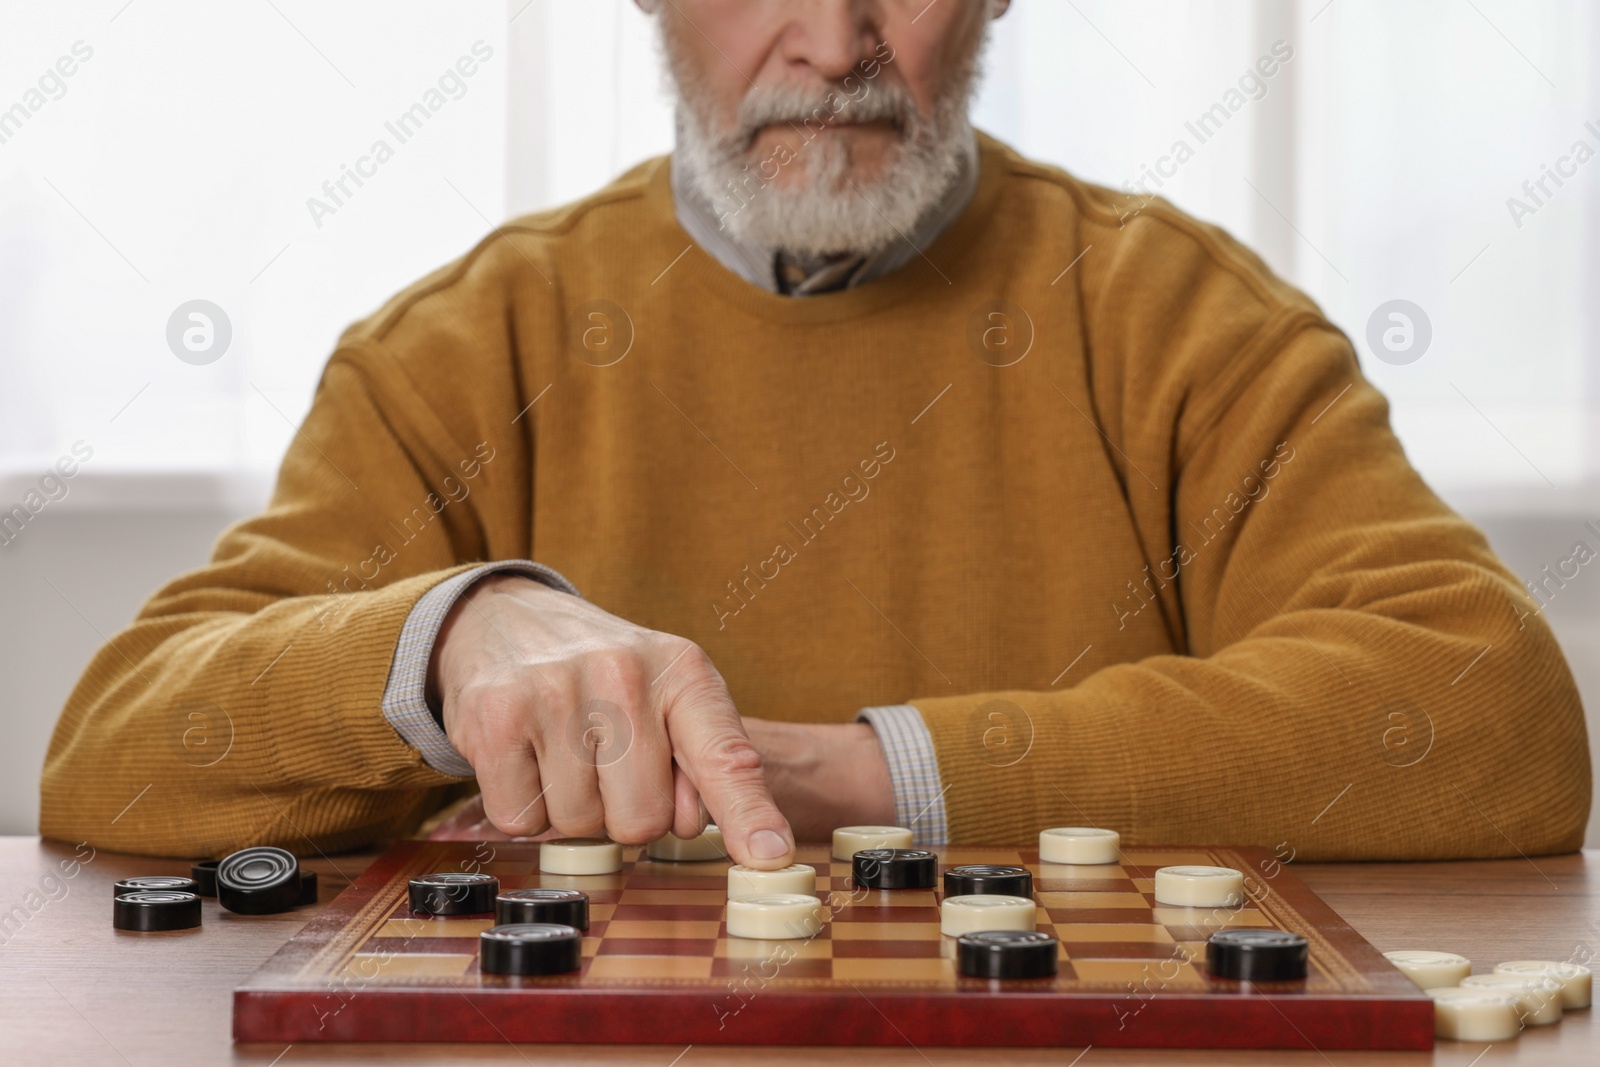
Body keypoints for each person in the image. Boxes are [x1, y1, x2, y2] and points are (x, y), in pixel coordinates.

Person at [41, 0, 1589, 868]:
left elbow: (1494, 719)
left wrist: (873, 772)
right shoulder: (457, 350)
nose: (833, 39)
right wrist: (449, 631)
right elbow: (111, 758)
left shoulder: (1183, 316)